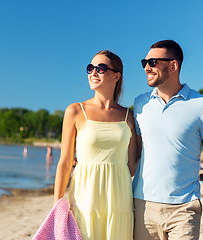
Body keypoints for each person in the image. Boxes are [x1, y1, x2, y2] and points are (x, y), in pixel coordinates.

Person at [132, 40, 203, 240]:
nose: (146, 67)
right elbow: (133, 154)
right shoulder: (140, 104)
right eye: (145, 62)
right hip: (142, 206)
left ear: (173, 65)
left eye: (152, 62)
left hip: (185, 209)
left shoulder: (202, 106)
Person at [54, 50, 138, 239]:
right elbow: (65, 163)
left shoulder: (129, 116)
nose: (93, 72)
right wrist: (57, 205)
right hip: (85, 198)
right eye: (90, 68)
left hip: (120, 199)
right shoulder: (75, 111)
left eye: (100, 68)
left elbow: (133, 165)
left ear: (117, 76)